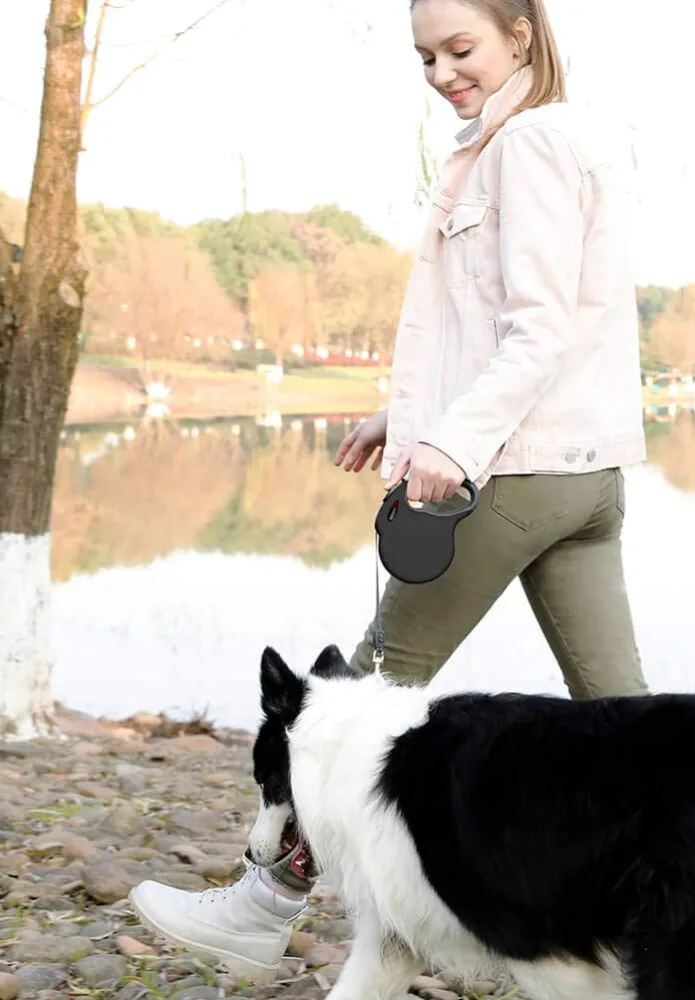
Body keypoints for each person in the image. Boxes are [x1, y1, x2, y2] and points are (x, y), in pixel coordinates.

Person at [129, 0, 649, 984]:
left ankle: (263, 901)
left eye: (461, 48)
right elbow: (506, 328)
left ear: (520, 36)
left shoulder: (525, 147)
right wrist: (400, 421)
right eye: (425, 54)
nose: (443, 70)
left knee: (341, 708)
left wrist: (448, 442)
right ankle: (680, 909)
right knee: (629, 727)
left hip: (511, 474)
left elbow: (536, 331)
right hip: (582, 474)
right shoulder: (563, 140)